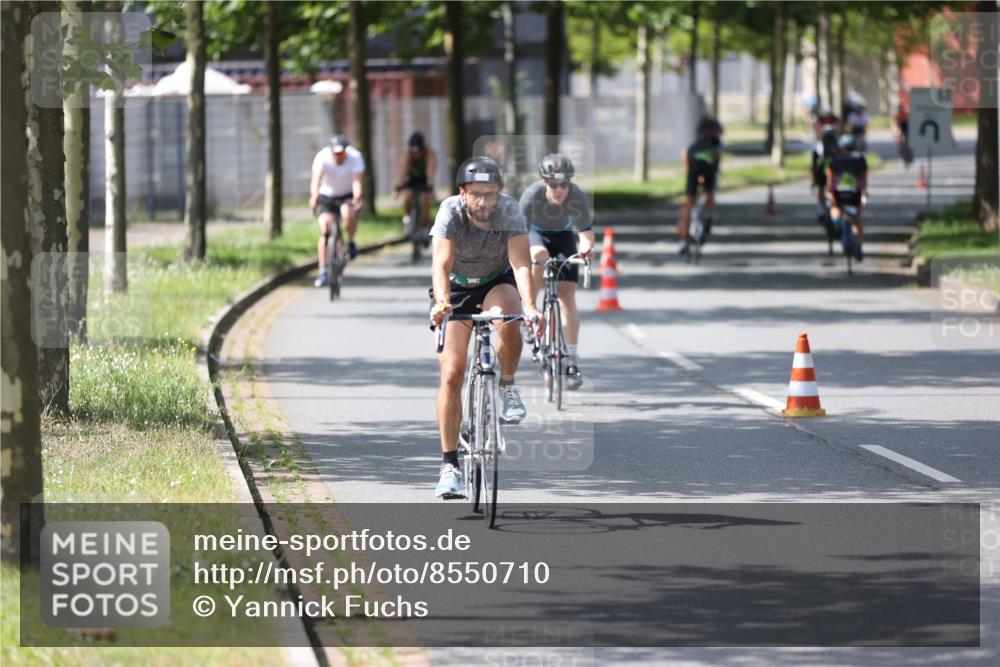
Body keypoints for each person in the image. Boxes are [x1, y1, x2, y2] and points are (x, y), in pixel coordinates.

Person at [428, 156, 543, 498]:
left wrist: (533, 308)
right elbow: (441, 263)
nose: (483, 202)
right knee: (452, 374)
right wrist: (442, 303)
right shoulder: (450, 212)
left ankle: (506, 385)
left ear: (499, 194)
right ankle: (450, 466)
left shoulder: (509, 212)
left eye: (490, 194)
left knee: (510, 313)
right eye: (476, 194)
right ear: (462, 193)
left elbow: (521, 265)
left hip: (497, 281)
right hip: (457, 289)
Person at [519, 153, 595, 389]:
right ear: (544, 182)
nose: (560, 189)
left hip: (563, 237)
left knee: (567, 296)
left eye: (564, 184)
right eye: (554, 185)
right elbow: (518, 236)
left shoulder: (576, 195)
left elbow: (585, 231)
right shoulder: (531, 196)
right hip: (535, 233)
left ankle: (571, 358)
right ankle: (530, 311)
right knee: (538, 256)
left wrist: (586, 245)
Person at [309, 135, 365, 287]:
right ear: (331, 151)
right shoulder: (322, 157)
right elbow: (316, 181)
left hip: (346, 195)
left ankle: (351, 241)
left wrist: (357, 198)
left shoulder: (355, 157)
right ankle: (322, 271)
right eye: (336, 154)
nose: (339, 157)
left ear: (346, 152)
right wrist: (314, 196)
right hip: (327, 196)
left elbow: (357, 182)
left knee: (348, 213)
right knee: (325, 229)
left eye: (342, 154)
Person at [677, 116, 723, 255]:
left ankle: (684, 240)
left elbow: (685, 154)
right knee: (710, 193)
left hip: (693, 165)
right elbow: (717, 160)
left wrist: (688, 171)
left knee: (688, 203)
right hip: (707, 166)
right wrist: (716, 172)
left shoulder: (695, 143)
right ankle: (708, 218)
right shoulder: (714, 145)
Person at [827, 133, 868, 261]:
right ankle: (859, 246)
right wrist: (864, 192)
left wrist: (829, 192)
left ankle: (838, 224)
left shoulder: (834, 159)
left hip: (839, 193)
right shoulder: (861, 159)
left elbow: (830, 179)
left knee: (835, 208)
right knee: (856, 219)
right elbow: (864, 179)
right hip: (855, 193)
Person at [394, 132, 437, 235]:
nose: (416, 154)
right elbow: (403, 170)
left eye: (418, 151)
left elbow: (430, 171)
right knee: (407, 197)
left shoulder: (429, 154)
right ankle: (408, 218)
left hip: (424, 180)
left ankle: (426, 227)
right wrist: (398, 187)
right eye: (413, 151)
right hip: (412, 179)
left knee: (424, 201)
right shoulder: (408, 155)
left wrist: (430, 188)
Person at [812, 123, 840, 218]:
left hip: (822, 170)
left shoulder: (819, 145)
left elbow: (814, 162)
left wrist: (814, 178)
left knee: (821, 188)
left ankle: (821, 211)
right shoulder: (839, 144)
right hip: (836, 171)